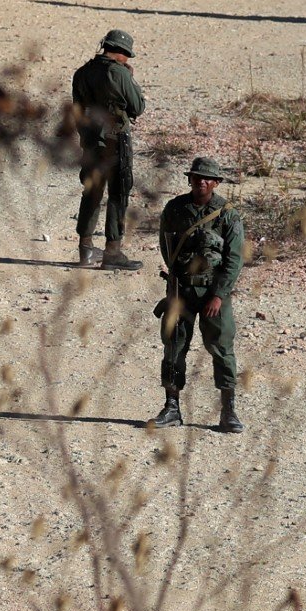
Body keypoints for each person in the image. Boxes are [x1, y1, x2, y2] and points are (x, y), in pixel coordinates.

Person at [152, 155, 245, 433]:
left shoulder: (227, 214)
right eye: (196, 176)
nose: (201, 181)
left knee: (222, 348)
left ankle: (228, 411)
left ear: (216, 183)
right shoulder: (174, 209)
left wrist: (218, 295)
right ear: (190, 179)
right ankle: (171, 407)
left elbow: (234, 259)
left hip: (213, 292)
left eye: (207, 178)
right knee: (173, 347)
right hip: (181, 289)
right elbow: (166, 247)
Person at [71, 29, 146, 270]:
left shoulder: (82, 73)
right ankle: (112, 251)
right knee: (118, 193)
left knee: (91, 191)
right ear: (121, 53)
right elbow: (138, 106)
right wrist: (130, 79)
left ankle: (85, 249)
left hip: (91, 140)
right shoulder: (119, 73)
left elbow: (77, 110)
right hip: (116, 141)